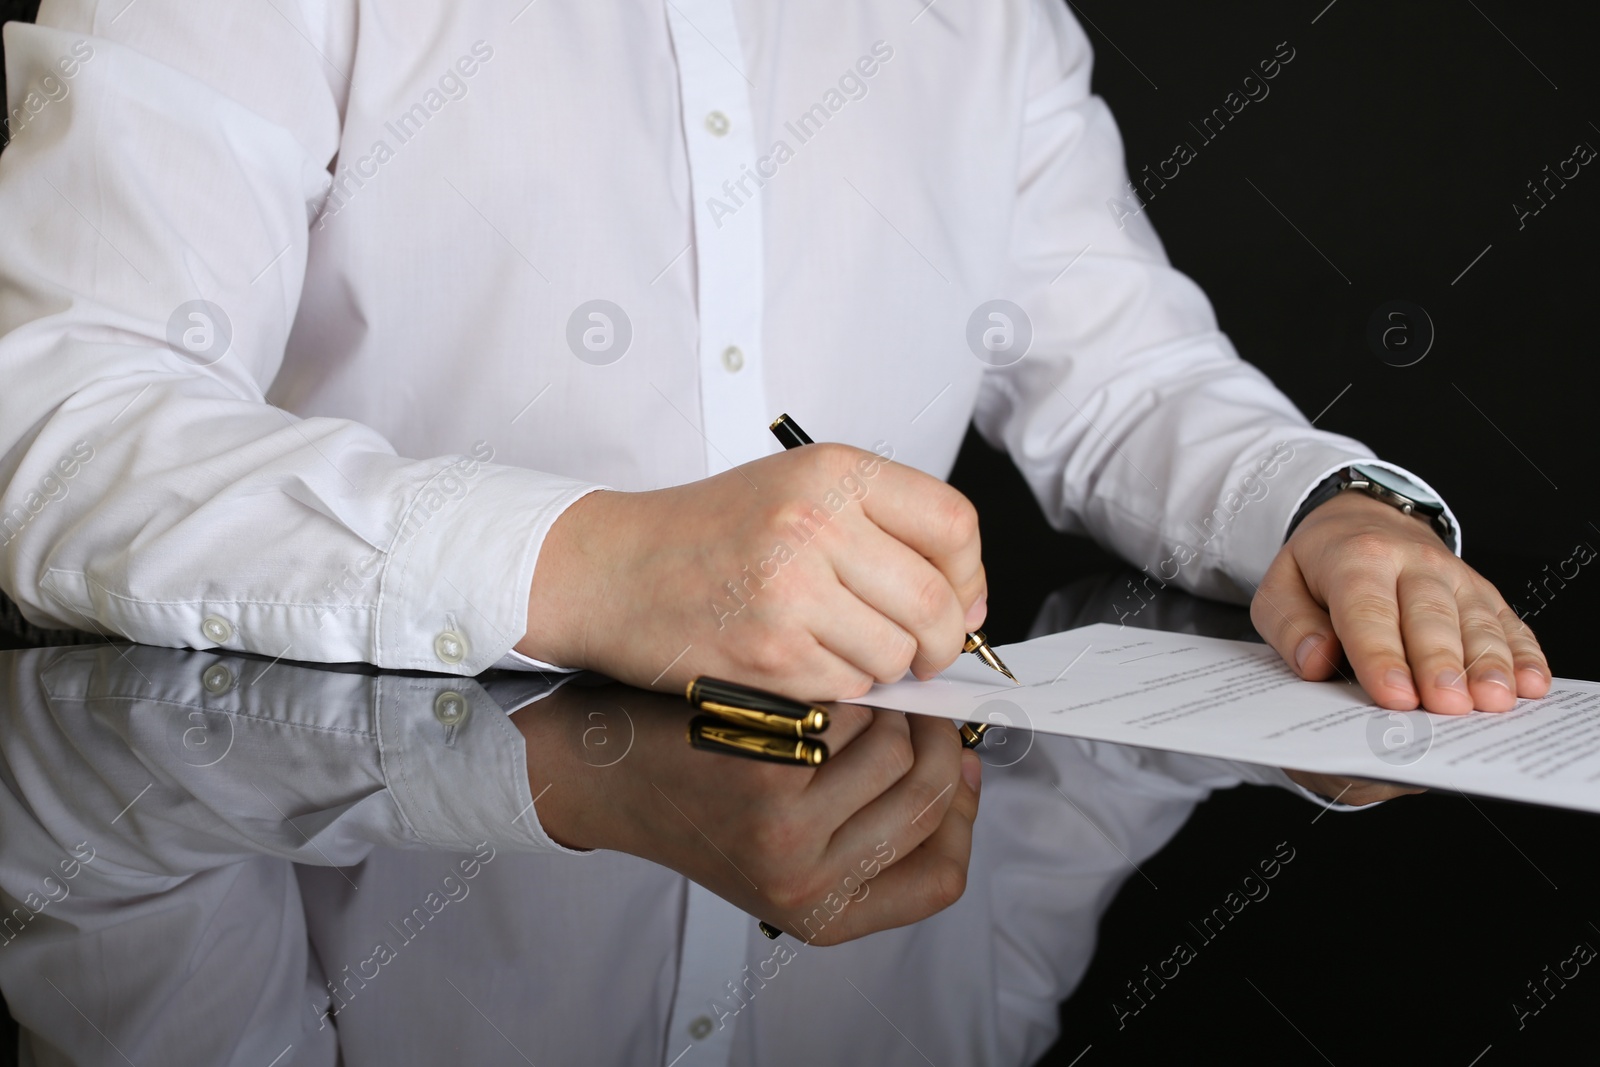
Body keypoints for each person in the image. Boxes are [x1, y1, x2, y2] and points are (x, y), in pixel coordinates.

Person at [0, 0, 1547, 960]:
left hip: (884, 797)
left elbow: (1127, 373)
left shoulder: (986, 22)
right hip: (273, 809)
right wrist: (592, 565)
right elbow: (58, 416)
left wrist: (1321, 508)